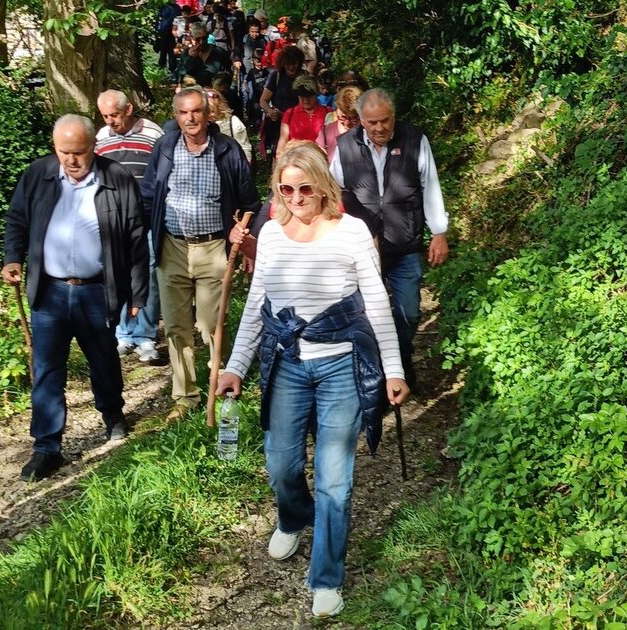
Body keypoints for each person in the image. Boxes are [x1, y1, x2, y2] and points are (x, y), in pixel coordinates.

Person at [216, 142, 409, 618]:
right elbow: (258, 307)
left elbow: (376, 302)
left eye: (305, 188)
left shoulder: (352, 232)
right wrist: (236, 366)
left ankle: (326, 576)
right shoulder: (271, 234)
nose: (297, 198)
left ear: (323, 186)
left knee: (334, 478)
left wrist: (393, 369)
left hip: (341, 363)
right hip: (288, 363)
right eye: (286, 189)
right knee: (281, 463)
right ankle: (294, 516)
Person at [4, 114, 150, 481]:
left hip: (97, 289)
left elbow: (136, 237)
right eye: (64, 152)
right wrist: (12, 258)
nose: (71, 160)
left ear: (94, 147)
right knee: (47, 369)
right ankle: (46, 447)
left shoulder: (116, 178)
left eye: (79, 152)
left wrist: (138, 292)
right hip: (49, 291)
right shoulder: (37, 175)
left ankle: (112, 414)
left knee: (103, 359)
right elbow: (17, 218)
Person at [142, 86, 259, 419]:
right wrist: (146, 234)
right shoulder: (165, 147)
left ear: (208, 114)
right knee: (176, 326)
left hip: (213, 246)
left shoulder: (227, 150)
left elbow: (250, 202)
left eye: (196, 111)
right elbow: (149, 194)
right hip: (173, 246)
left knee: (210, 323)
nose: (190, 118)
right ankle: (185, 396)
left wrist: (245, 241)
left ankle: (220, 381)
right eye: (184, 112)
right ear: (176, 116)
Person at [329, 88, 450, 391]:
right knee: (366, 315)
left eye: (385, 120)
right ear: (361, 120)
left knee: (409, 311)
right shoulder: (346, 147)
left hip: (405, 244)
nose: (380, 128)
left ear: (394, 116)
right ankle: (376, 377)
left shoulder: (414, 139)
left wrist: (439, 232)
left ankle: (402, 360)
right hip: (363, 249)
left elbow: (430, 185)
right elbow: (334, 195)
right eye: (372, 122)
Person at [95, 90, 165, 364]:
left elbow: (162, 174)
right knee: (119, 273)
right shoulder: (101, 138)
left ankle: (145, 335)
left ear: (128, 109)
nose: (110, 121)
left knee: (149, 272)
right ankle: (123, 333)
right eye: (105, 116)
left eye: (114, 114)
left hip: (147, 216)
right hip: (115, 220)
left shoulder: (152, 133)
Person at [258, 45, 306, 160]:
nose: (291, 67)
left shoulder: (305, 77)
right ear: (283, 63)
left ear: (299, 63)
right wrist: (270, 111)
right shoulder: (276, 76)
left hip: (299, 123)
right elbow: (263, 100)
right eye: (288, 64)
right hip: (278, 124)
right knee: (279, 154)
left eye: (294, 63)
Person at [275, 74, 330, 158]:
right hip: (296, 161)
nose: (305, 100)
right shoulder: (289, 114)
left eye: (309, 96)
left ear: (316, 94)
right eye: (302, 96)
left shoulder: (328, 112)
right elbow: (281, 147)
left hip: (320, 161)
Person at [178, 21, 230, 88]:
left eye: (204, 38)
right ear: (192, 38)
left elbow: (227, 76)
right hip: (193, 90)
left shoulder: (219, 53)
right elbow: (180, 76)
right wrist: (191, 58)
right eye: (197, 39)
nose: (201, 42)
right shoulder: (186, 54)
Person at [316, 85, 362, 160]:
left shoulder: (368, 134)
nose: (347, 123)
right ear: (337, 110)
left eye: (353, 118)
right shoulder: (326, 133)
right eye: (342, 117)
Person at [207, 89, 252, 163]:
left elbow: (245, 149)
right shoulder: (201, 126)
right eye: (206, 111)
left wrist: (246, 165)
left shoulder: (233, 122)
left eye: (212, 111)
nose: (209, 115)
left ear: (219, 108)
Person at [156, 0, 182, 74]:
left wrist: (178, 31)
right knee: (163, 49)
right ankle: (161, 66)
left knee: (172, 50)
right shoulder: (164, 6)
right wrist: (158, 30)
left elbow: (180, 18)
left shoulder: (177, 7)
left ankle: (172, 68)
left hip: (174, 31)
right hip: (164, 30)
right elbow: (159, 18)